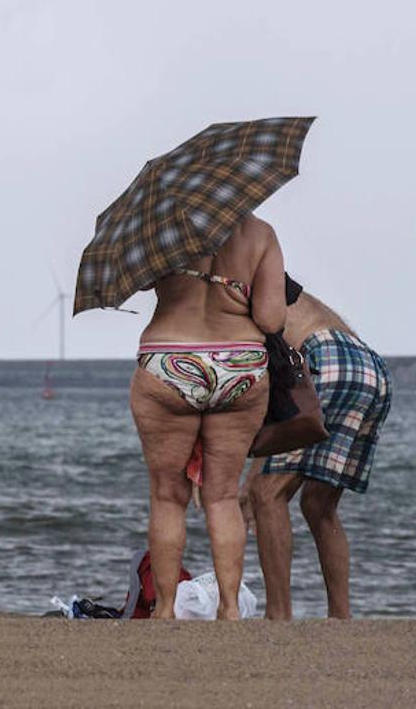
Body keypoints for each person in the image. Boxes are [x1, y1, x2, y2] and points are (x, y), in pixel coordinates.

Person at [129, 213, 286, 620]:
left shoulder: (164, 227)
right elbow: (271, 320)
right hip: (240, 362)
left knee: (167, 496)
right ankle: (230, 609)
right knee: (221, 495)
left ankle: (164, 609)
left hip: (170, 358)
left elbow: (140, 280)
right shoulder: (261, 234)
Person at [245, 289, 392, 619]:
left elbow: (268, 389)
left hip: (323, 357)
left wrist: (248, 482)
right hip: (370, 366)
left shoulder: (239, 291)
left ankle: (277, 615)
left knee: (266, 494)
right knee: (319, 505)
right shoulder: (276, 280)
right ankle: (341, 618)